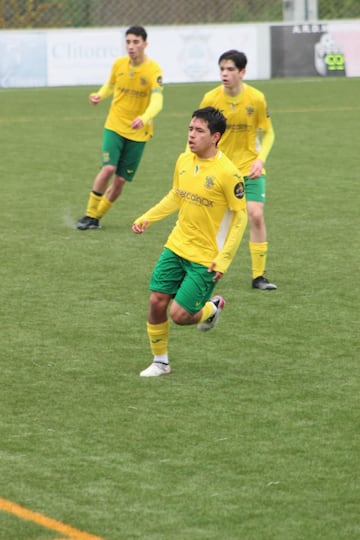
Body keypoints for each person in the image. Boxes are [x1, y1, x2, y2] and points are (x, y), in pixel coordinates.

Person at [132, 107, 248, 377]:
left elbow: (240, 218)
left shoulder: (228, 173)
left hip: (206, 256)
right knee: (156, 300)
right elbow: (177, 194)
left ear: (215, 137)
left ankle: (212, 307)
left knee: (180, 315)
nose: (191, 135)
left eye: (199, 131)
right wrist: (148, 217)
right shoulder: (184, 160)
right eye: (190, 129)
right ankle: (160, 362)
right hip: (177, 244)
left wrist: (225, 259)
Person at [197, 50, 277, 290]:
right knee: (217, 222)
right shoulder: (211, 99)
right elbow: (197, 132)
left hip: (249, 168)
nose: (225, 73)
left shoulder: (256, 98)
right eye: (222, 69)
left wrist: (260, 160)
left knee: (255, 214)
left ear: (242, 72)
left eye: (230, 69)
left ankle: (259, 276)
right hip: (221, 170)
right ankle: (205, 269)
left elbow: (269, 132)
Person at [77, 26, 163, 230]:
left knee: (120, 181)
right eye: (128, 42)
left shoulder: (154, 70)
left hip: (138, 133)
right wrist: (100, 94)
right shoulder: (119, 64)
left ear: (145, 44)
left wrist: (144, 117)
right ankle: (88, 214)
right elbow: (110, 84)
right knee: (108, 168)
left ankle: (96, 218)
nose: (131, 46)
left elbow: (158, 101)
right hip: (114, 125)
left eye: (136, 42)